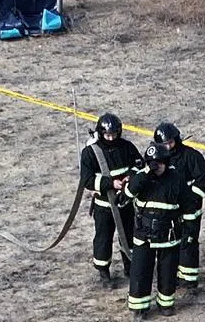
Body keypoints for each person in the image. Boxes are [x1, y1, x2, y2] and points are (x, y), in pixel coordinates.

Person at [125, 143, 198, 319]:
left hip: (168, 235)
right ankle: (139, 308)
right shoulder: (141, 178)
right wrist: (146, 172)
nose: (156, 167)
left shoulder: (176, 179)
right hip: (144, 235)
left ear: (166, 161)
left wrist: (189, 234)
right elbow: (129, 192)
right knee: (140, 272)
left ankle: (166, 304)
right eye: (152, 163)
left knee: (167, 271)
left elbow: (189, 207)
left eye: (159, 163)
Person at [80, 112, 141, 289]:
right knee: (103, 238)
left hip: (125, 202)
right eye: (107, 135)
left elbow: (138, 166)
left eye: (114, 134)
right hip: (104, 205)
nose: (111, 138)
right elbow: (87, 179)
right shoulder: (91, 153)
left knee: (129, 236)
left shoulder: (127, 147)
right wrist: (110, 183)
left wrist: (129, 179)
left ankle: (130, 266)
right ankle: (103, 271)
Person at [153, 122, 205, 291]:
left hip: (189, 211)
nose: (168, 147)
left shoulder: (191, 156)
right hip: (170, 211)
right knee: (172, 243)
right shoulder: (159, 160)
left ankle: (190, 280)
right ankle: (175, 276)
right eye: (164, 144)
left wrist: (189, 200)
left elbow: (203, 181)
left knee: (189, 242)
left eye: (170, 142)